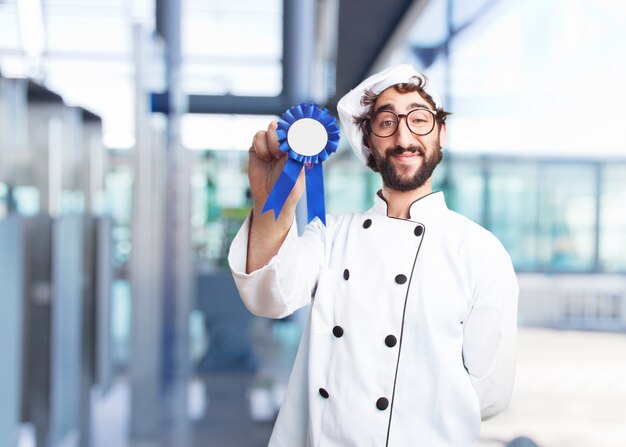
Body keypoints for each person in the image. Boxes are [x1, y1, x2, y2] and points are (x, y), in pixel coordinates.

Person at [228, 64, 519, 446]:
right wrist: (273, 201)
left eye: (419, 119)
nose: (403, 137)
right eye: (385, 123)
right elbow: (268, 296)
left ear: (441, 133)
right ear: (369, 144)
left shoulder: (481, 252)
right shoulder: (330, 235)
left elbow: (490, 391)